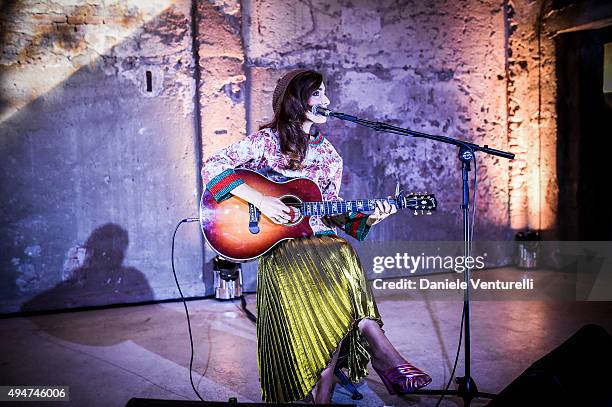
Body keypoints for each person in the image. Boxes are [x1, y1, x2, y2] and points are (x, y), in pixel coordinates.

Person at [201, 69, 431, 404]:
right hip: (282, 244)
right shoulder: (267, 141)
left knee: (339, 255)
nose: (327, 101)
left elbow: (329, 209)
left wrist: (371, 215)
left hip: (321, 241)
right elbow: (213, 166)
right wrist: (262, 199)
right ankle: (381, 350)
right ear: (296, 99)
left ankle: (328, 390)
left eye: (326, 93)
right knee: (337, 262)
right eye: (318, 94)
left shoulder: (329, 156)